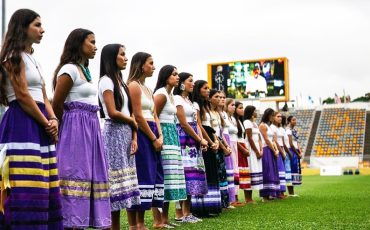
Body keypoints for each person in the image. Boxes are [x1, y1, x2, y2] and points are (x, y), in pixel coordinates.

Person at [0, 9, 63, 229]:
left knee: (43, 182)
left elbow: (44, 95)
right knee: (26, 184)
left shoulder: (34, 59)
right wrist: (46, 123)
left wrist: (54, 119)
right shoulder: (12, 56)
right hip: (22, 123)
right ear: (22, 27)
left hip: (40, 123)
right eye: (37, 25)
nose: (42, 29)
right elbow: (23, 95)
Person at [52, 28, 111, 229]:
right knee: (75, 172)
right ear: (79, 43)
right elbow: (57, 104)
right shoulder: (68, 70)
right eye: (92, 42)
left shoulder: (84, 71)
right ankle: (71, 221)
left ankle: (85, 221)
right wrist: (65, 130)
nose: (95, 47)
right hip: (75, 129)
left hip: (91, 128)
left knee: (89, 173)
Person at [98, 44, 141, 230]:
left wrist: (134, 138)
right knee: (114, 185)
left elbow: (130, 112)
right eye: (122, 54)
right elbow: (112, 111)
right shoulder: (106, 81)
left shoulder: (121, 82)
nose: (125, 58)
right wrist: (132, 122)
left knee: (126, 184)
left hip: (126, 133)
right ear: (111, 57)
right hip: (113, 132)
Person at [127, 52, 164, 230]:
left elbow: (155, 114)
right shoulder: (133, 86)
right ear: (141, 65)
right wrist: (152, 137)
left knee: (151, 175)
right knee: (140, 174)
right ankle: (135, 223)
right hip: (142, 132)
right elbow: (138, 116)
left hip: (154, 132)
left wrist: (160, 135)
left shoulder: (148, 90)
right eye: (151, 63)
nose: (154, 67)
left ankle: (141, 220)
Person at [152, 65, 187, 228]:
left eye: (178, 74)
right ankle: (158, 219)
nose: (177, 77)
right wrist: (159, 137)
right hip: (164, 134)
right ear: (166, 77)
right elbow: (153, 116)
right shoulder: (160, 94)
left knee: (171, 179)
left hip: (172, 135)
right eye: (174, 74)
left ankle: (165, 218)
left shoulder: (170, 95)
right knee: (163, 177)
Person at [173, 72, 207, 223]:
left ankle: (188, 212)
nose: (193, 84)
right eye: (190, 81)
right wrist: (199, 138)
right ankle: (180, 213)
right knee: (184, 173)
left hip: (193, 139)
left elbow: (196, 123)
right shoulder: (177, 99)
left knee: (193, 173)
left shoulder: (191, 102)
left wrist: (201, 140)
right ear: (181, 83)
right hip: (183, 138)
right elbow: (183, 123)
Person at [191, 80, 222, 217]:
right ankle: (202, 207)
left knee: (211, 172)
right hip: (204, 139)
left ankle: (211, 205)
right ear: (199, 90)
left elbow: (211, 127)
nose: (208, 90)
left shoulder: (206, 106)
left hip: (210, 138)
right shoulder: (197, 105)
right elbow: (199, 125)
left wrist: (216, 141)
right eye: (205, 88)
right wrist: (209, 142)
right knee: (205, 172)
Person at [209, 89, 230, 209]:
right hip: (215, 144)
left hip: (220, 143)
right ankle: (217, 202)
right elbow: (213, 133)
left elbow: (221, 133)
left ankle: (224, 202)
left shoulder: (217, 113)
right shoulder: (208, 113)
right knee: (217, 173)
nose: (220, 99)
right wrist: (222, 146)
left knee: (222, 174)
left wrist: (226, 146)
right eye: (217, 96)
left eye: (221, 97)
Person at [225, 98, 244, 206]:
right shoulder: (225, 117)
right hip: (230, 143)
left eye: (234, 105)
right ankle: (230, 198)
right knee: (230, 171)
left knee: (235, 171)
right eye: (231, 105)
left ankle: (235, 196)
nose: (233, 107)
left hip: (234, 145)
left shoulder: (232, 118)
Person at [219, 93, 236, 207]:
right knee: (222, 170)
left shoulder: (223, 114)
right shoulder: (217, 113)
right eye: (220, 97)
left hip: (226, 140)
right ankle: (223, 200)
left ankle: (229, 199)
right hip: (221, 140)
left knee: (228, 172)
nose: (222, 99)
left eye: (224, 98)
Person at [259, 108, 280, 202]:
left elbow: (272, 140)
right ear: (268, 115)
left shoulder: (269, 126)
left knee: (272, 171)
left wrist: (276, 149)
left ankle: (271, 193)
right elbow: (266, 140)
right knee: (267, 170)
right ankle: (264, 195)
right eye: (272, 115)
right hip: (266, 149)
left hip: (271, 149)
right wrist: (274, 150)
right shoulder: (263, 125)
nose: (273, 117)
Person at [243, 105, 263, 199]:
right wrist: (256, 151)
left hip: (257, 148)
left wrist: (261, 149)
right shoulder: (247, 122)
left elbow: (258, 137)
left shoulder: (254, 123)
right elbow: (249, 138)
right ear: (251, 112)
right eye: (255, 111)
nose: (256, 112)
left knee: (255, 169)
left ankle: (250, 198)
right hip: (251, 149)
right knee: (250, 170)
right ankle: (248, 198)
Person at [234, 102, 252, 203]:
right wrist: (243, 149)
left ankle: (244, 198)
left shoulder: (240, 121)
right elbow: (234, 138)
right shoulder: (233, 121)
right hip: (239, 147)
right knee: (237, 172)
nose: (242, 110)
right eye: (240, 108)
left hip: (243, 146)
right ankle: (235, 197)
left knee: (243, 172)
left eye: (243, 108)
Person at [270, 112, 287, 199]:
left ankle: (282, 191)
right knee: (278, 170)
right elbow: (275, 141)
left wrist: (284, 151)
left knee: (282, 170)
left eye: (281, 116)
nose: (280, 118)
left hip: (281, 148)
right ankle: (277, 192)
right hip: (277, 149)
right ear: (273, 118)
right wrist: (281, 152)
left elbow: (283, 141)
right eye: (278, 116)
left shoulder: (281, 128)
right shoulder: (272, 128)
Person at [287, 116, 302, 193]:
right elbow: (291, 144)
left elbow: (296, 142)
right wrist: (297, 153)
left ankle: (292, 191)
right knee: (291, 169)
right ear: (289, 121)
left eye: (295, 120)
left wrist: (300, 151)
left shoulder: (295, 130)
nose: (295, 121)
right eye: (293, 120)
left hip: (295, 150)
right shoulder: (288, 130)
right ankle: (290, 192)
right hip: (291, 150)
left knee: (295, 169)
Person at [281, 115, 293, 196]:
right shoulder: (283, 130)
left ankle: (284, 192)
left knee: (286, 172)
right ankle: (285, 192)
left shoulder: (283, 129)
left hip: (285, 151)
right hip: (284, 152)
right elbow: (284, 144)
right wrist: (289, 152)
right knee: (285, 171)